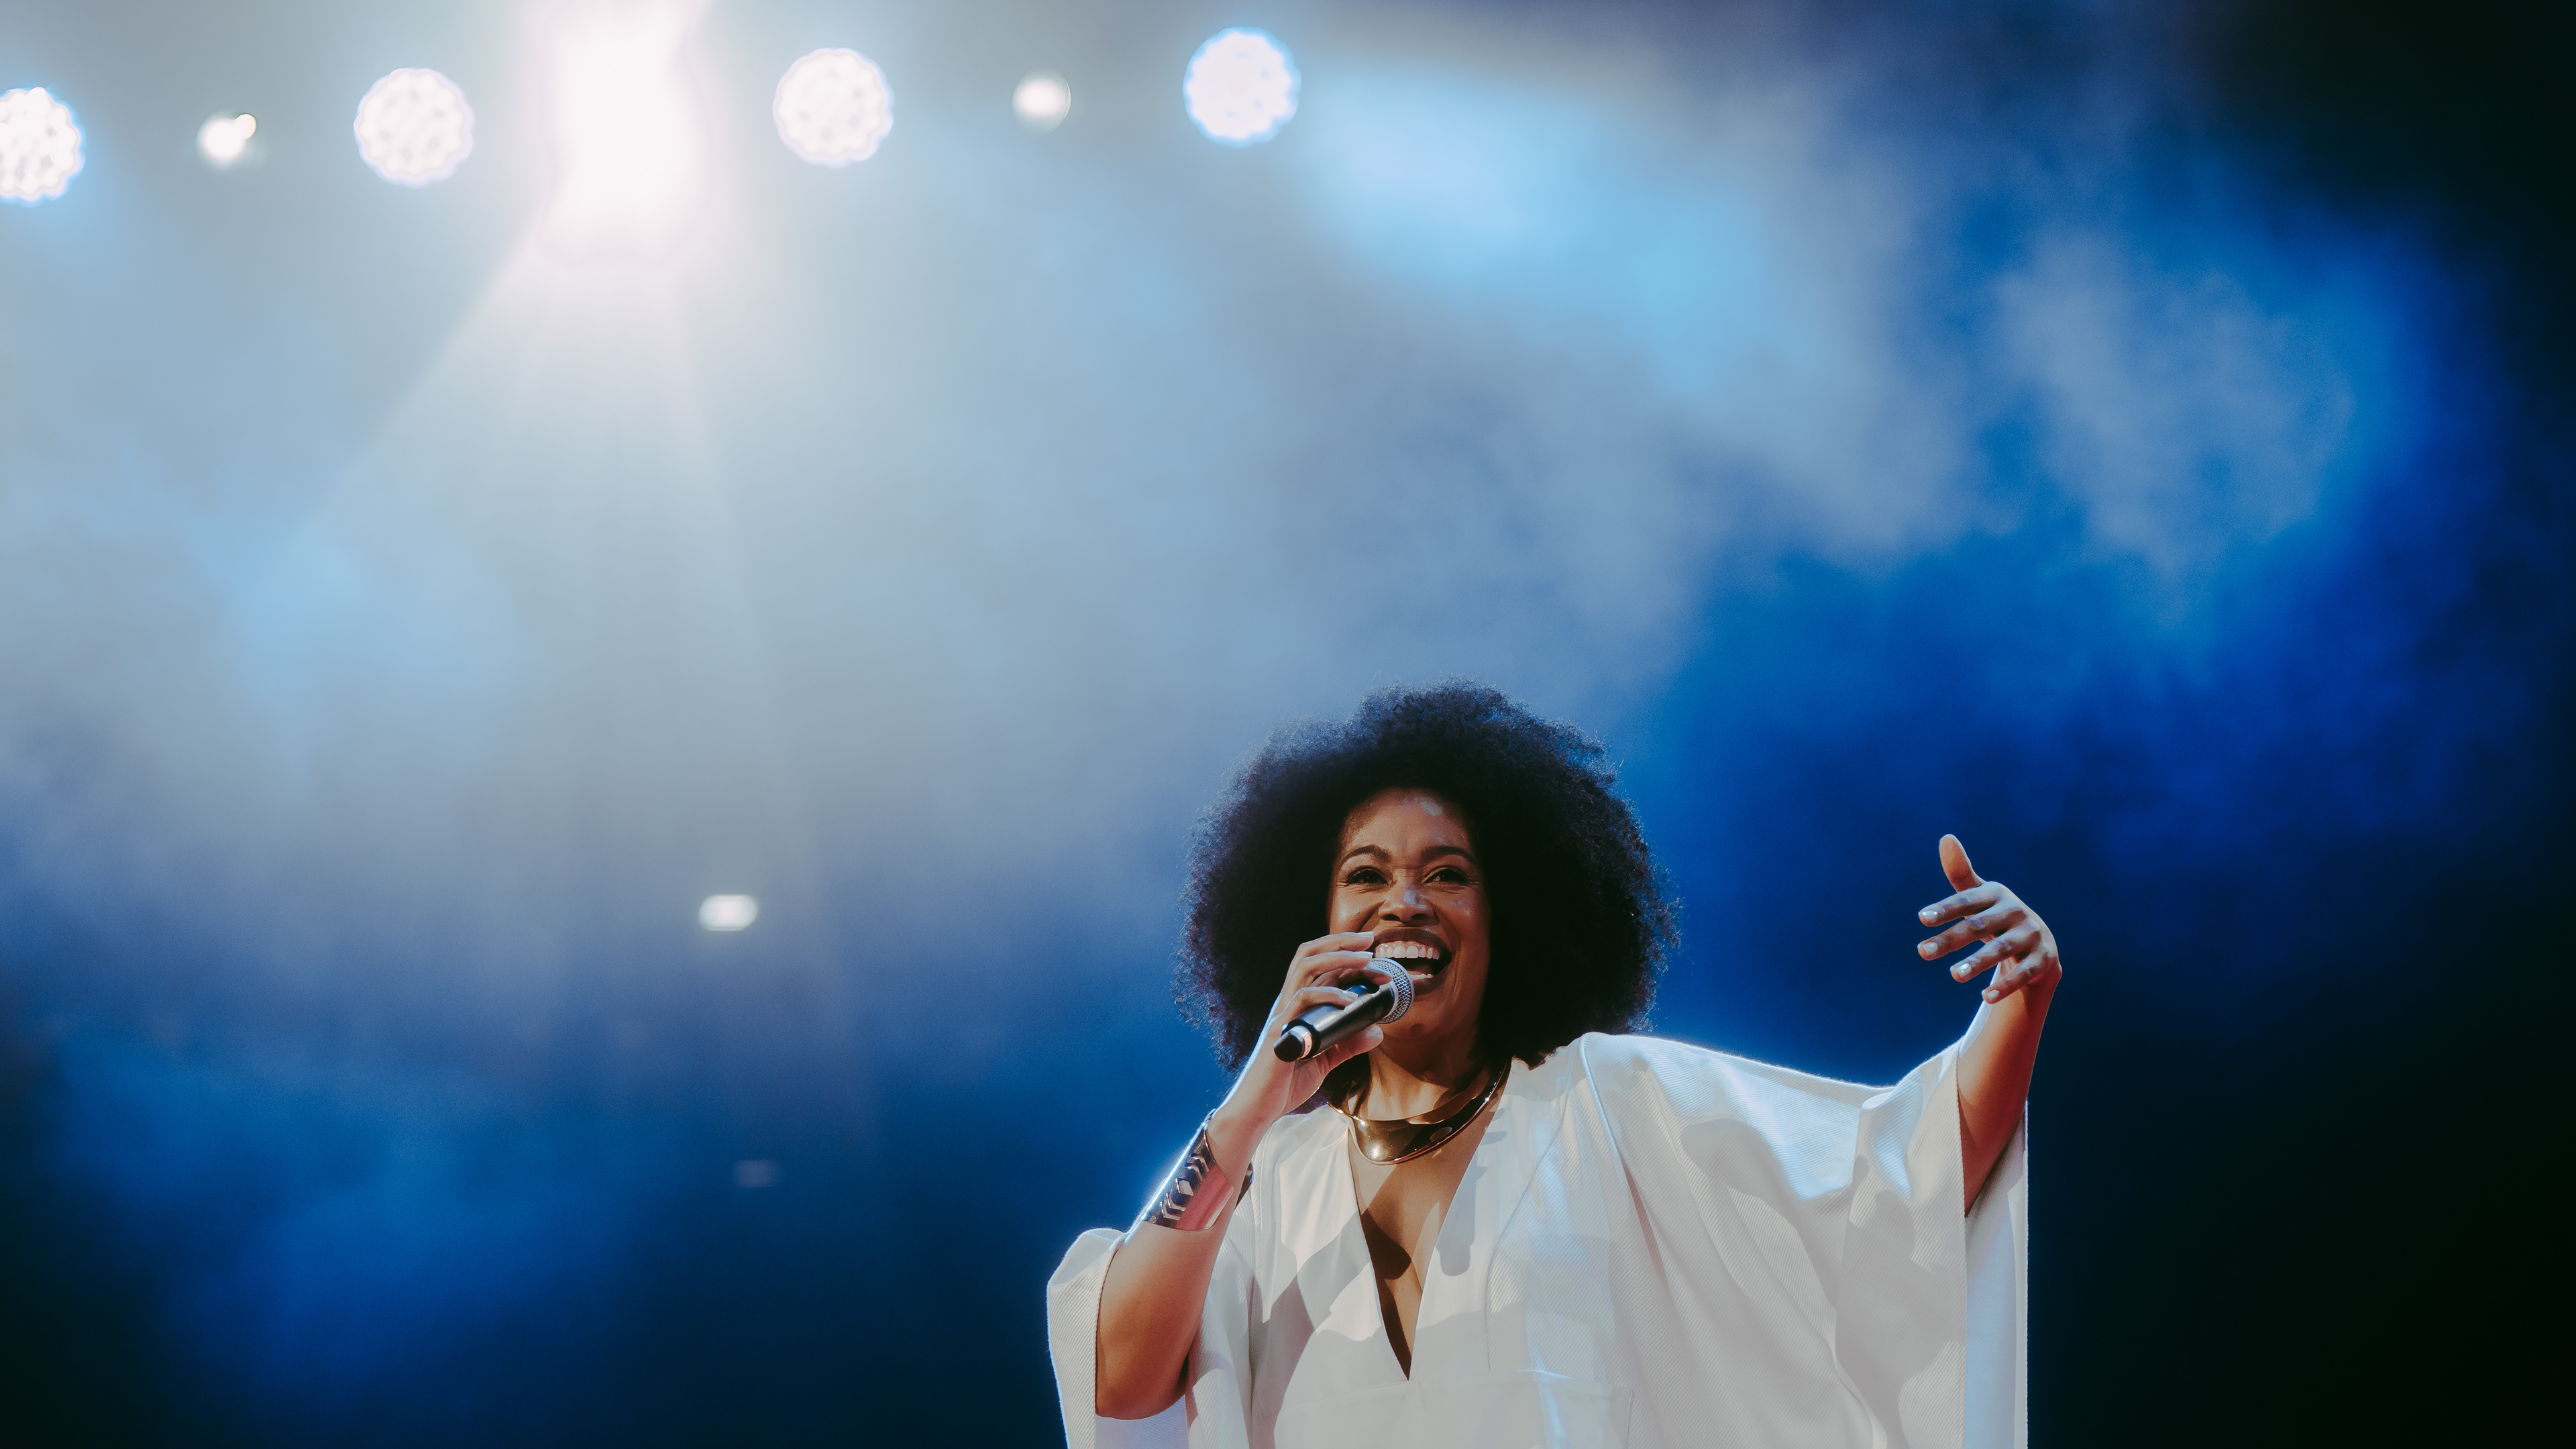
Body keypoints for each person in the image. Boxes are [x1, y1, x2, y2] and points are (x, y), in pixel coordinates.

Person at [1048, 684, 2049, 1448]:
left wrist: (2019, 996)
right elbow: (1119, 1381)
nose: (1406, 901)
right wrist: (1250, 1108)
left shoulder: (1608, 1103)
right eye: (1366, 876)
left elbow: (1912, 1172)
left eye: (1448, 874)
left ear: (1508, 921)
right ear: (1308, 926)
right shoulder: (1263, 1177)